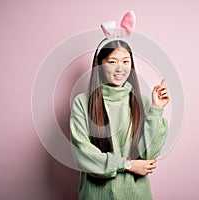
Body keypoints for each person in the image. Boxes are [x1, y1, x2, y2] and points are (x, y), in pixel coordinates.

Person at [70, 11, 170, 200]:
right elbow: (84, 156)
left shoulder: (143, 101)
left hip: (136, 194)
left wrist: (157, 109)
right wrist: (128, 165)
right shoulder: (83, 103)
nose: (120, 68)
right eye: (112, 62)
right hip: (95, 195)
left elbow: (148, 155)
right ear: (100, 65)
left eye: (126, 62)